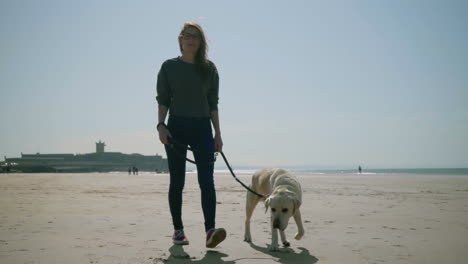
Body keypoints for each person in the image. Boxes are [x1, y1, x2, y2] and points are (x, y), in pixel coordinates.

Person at [156, 21, 226, 248]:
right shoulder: (168, 67)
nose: (191, 39)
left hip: (203, 128)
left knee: (207, 181)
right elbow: (164, 99)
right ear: (180, 39)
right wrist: (161, 125)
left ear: (200, 41)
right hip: (176, 127)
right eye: (187, 35)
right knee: (177, 181)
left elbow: (213, 103)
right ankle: (178, 231)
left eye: (195, 36)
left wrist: (218, 134)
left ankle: (210, 231)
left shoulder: (209, 68)